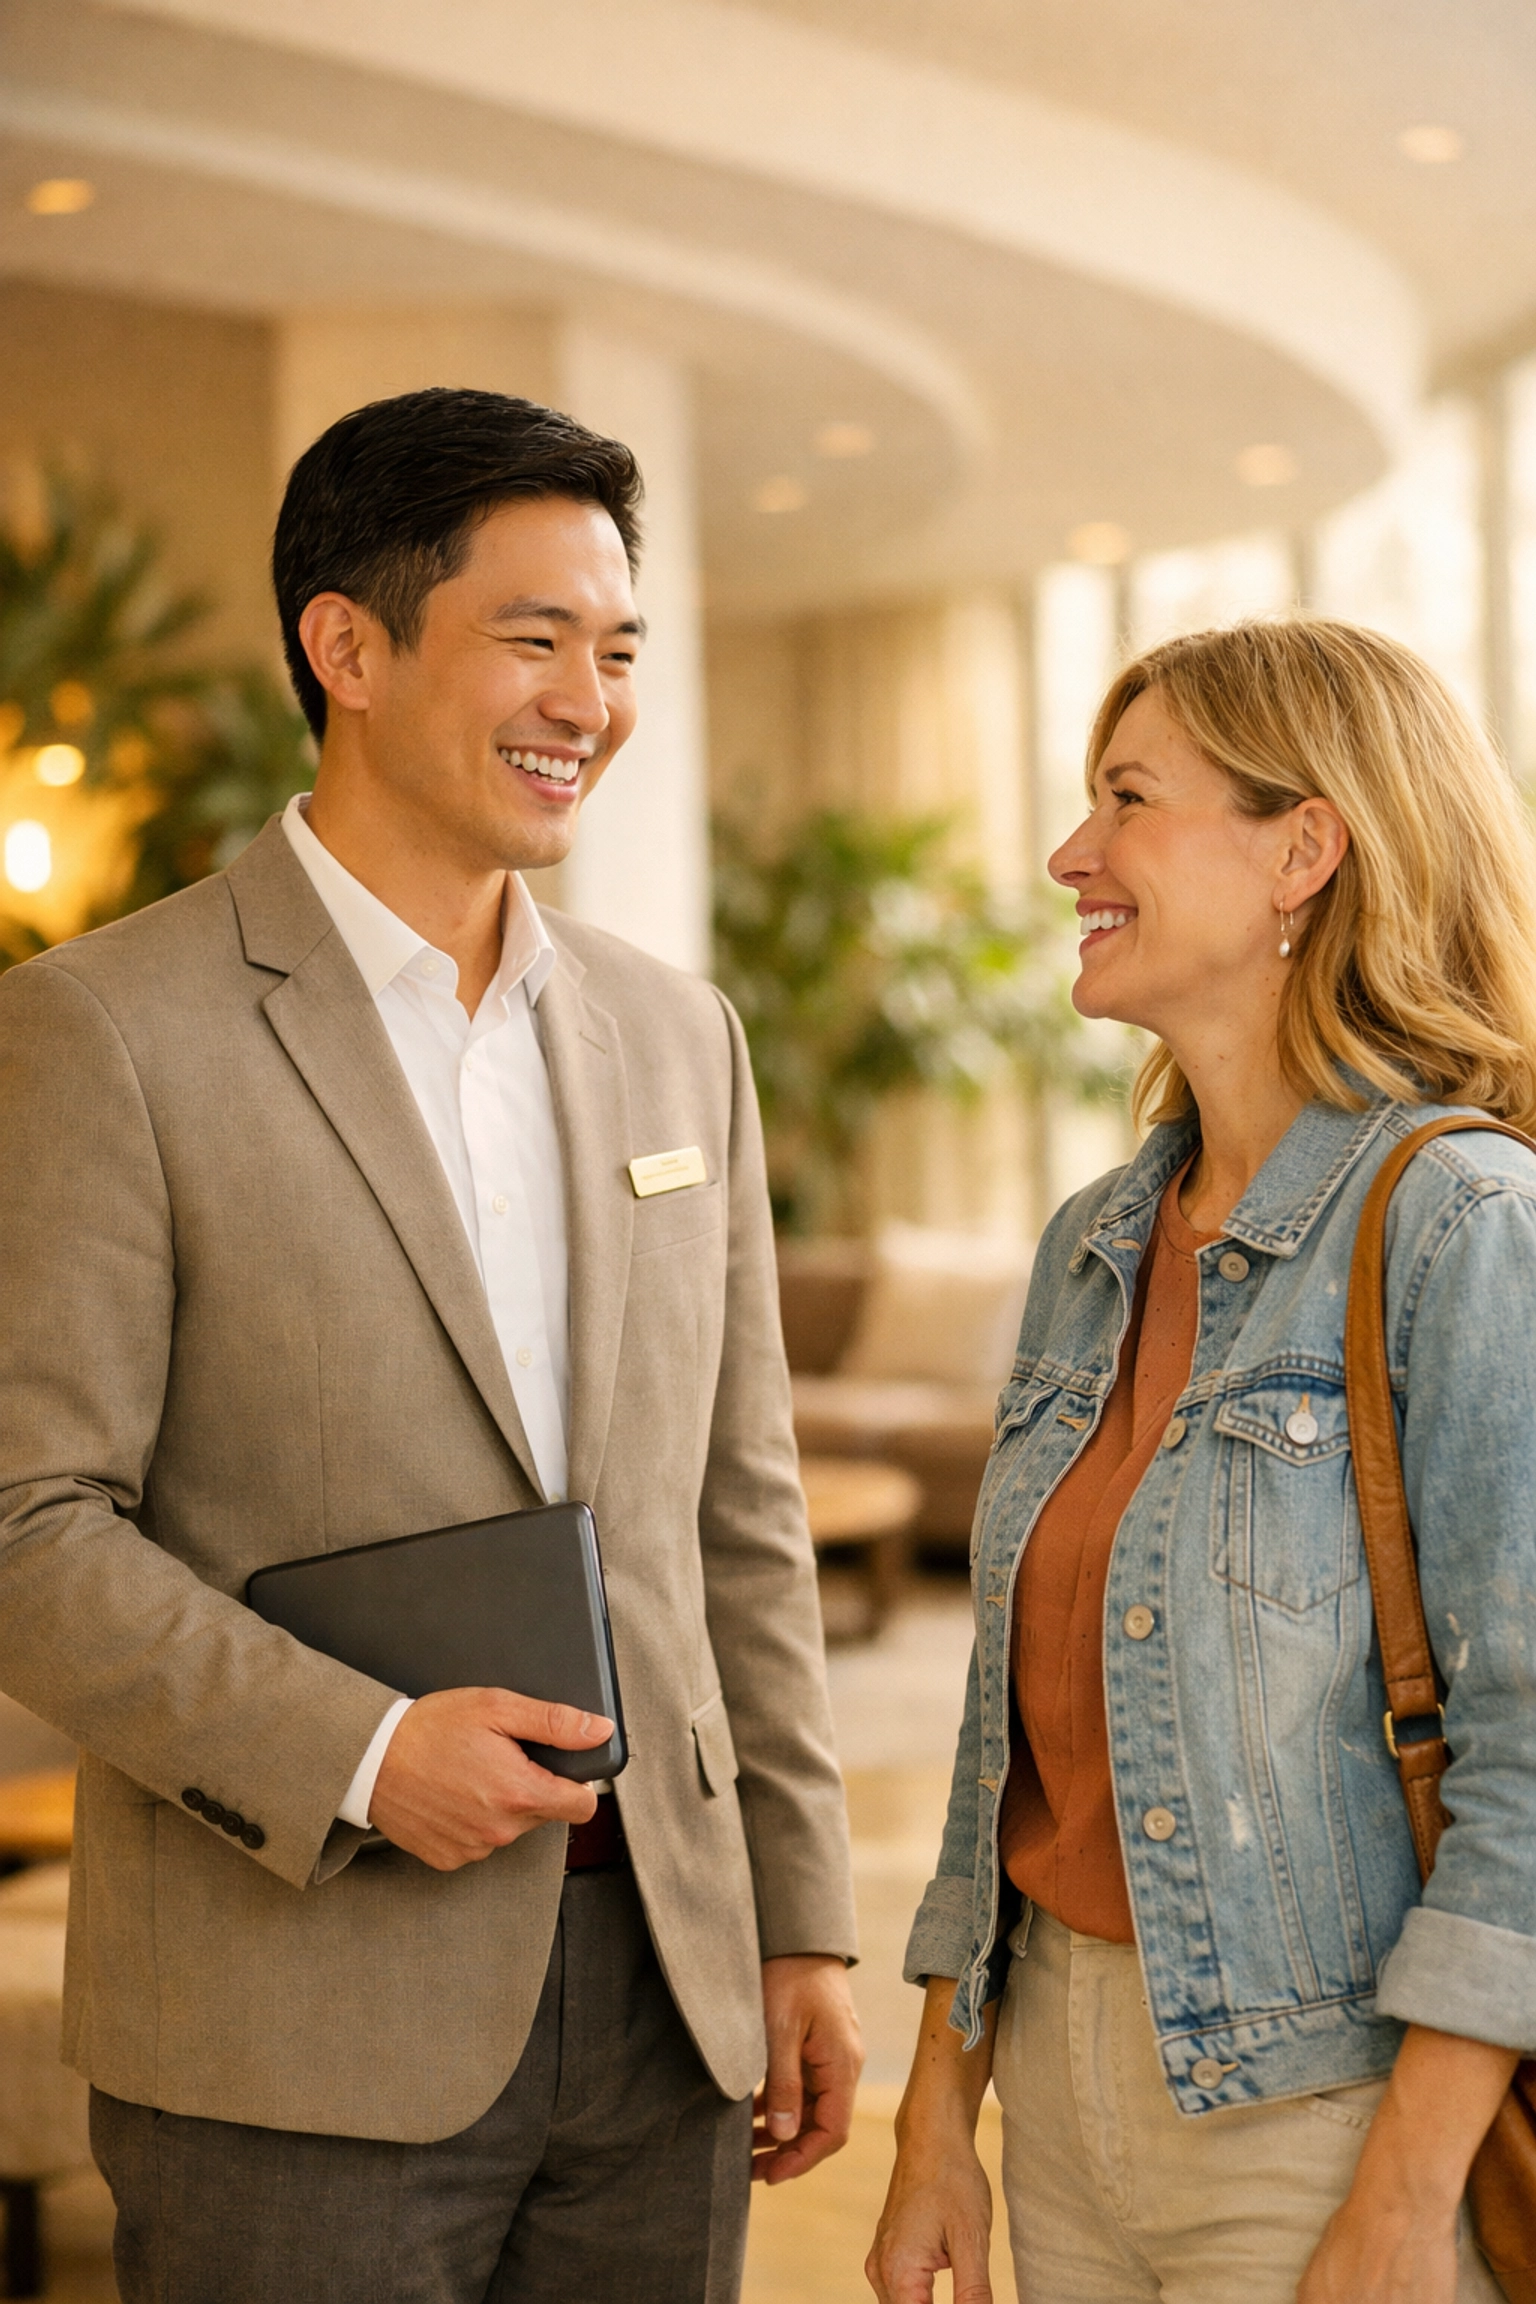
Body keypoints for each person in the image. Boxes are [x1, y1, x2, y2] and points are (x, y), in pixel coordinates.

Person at [0, 385, 862, 2304]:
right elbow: (26, 1524)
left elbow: (740, 1520)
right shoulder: (106, 1032)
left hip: (663, 1998)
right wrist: (364, 1750)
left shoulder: (674, 1035)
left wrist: (798, 1924)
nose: (593, 701)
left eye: (620, 650)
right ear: (349, 647)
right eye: (534, 638)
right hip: (290, 2025)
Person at [867, 618, 1536, 2304]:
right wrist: (938, 2112)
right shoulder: (1095, 1239)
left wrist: (1402, 2199)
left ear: (1304, 847)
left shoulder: (1464, 1227)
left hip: (1324, 2117)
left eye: (1128, 799)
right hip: (1065, 2090)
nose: (1068, 854)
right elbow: (992, 1738)